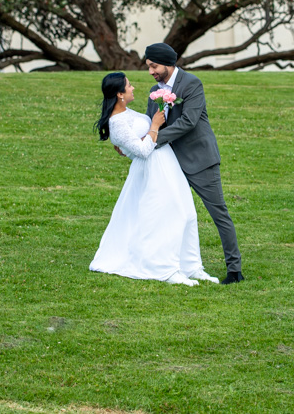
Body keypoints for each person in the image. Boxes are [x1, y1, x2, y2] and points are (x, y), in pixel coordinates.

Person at [90, 72, 219, 286]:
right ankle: (166, 269)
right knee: (166, 216)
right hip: (152, 170)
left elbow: (134, 144)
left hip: (168, 163)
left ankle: (191, 266)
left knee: (187, 213)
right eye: (129, 86)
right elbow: (141, 151)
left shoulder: (127, 112)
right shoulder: (117, 122)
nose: (133, 88)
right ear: (120, 94)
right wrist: (155, 126)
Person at [143, 42, 245, 285]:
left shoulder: (191, 84)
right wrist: (134, 140)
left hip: (201, 161)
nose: (151, 72)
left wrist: (153, 138)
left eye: (154, 66)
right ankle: (170, 266)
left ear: (168, 63)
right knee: (169, 215)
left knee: (218, 213)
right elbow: (151, 123)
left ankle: (235, 270)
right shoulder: (154, 90)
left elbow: (188, 122)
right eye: (148, 67)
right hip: (170, 164)